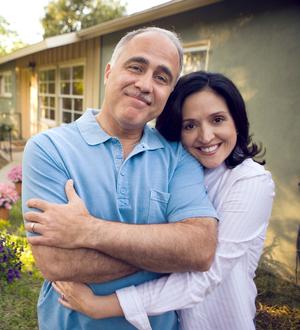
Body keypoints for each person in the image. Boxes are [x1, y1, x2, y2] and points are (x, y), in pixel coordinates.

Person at [43, 71, 275, 330]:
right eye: (190, 125)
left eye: (218, 119)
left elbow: (207, 272)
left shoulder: (250, 181)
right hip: (171, 322)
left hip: (220, 321)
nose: (206, 136)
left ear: (237, 122)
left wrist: (103, 305)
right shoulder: (178, 167)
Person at [23, 29, 218, 330]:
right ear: (109, 72)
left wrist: (87, 231)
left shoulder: (179, 155)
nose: (145, 84)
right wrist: (166, 253)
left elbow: (199, 250)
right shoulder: (49, 148)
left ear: (169, 93)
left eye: (162, 77)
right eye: (136, 67)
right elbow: (56, 263)